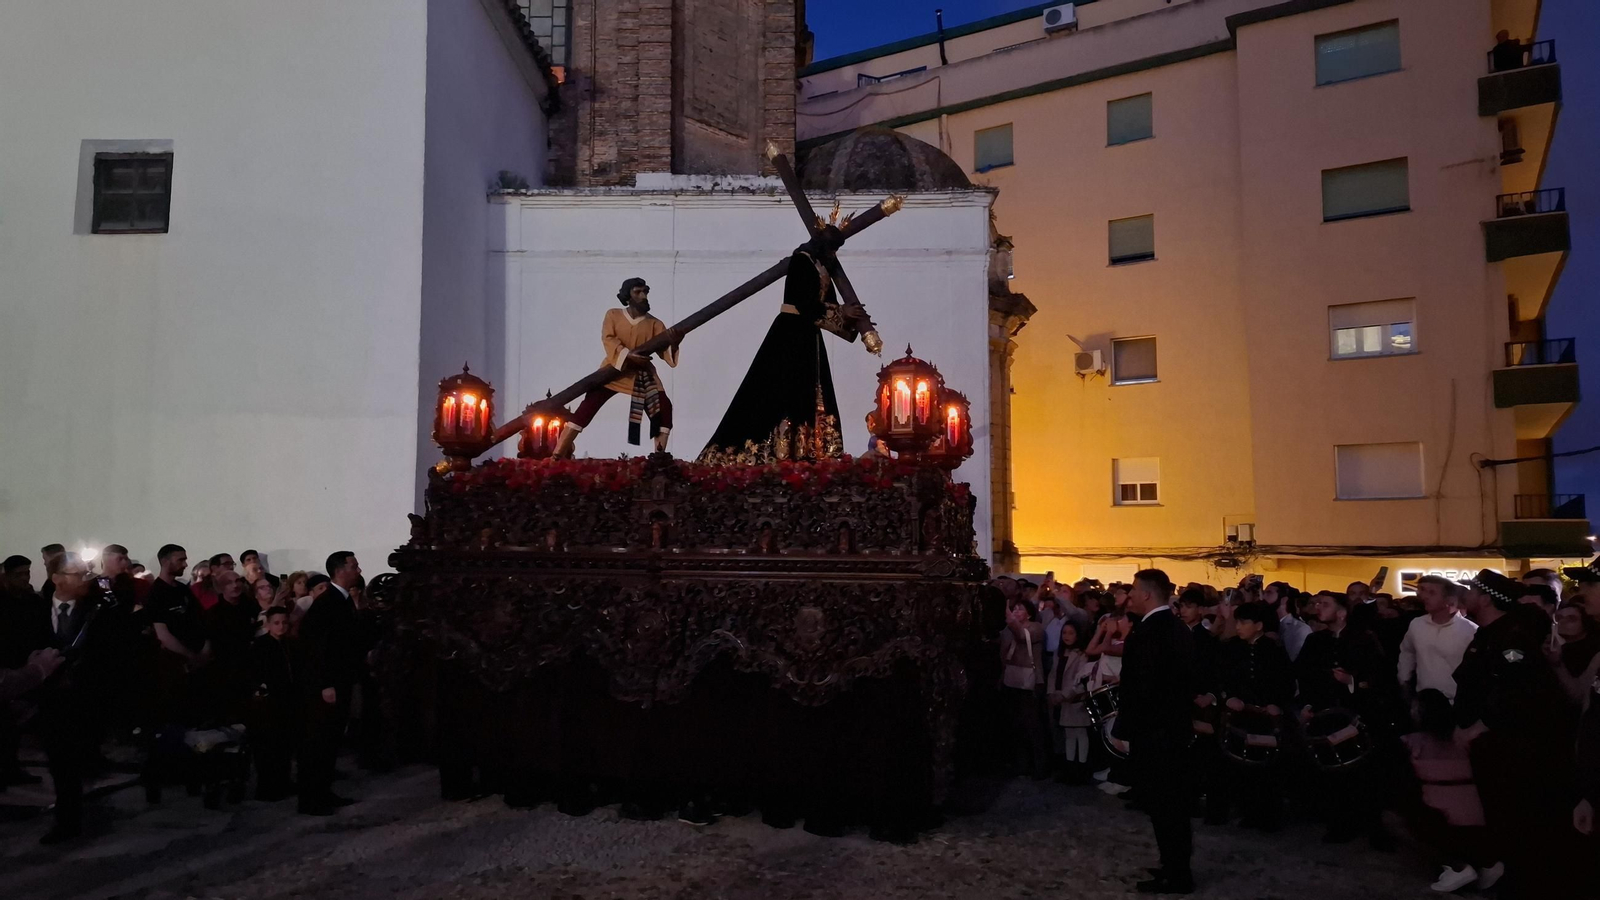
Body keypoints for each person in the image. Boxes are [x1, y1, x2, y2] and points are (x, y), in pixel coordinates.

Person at [702, 225, 878, 461]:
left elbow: (829, 303)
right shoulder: (801, 261)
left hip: (809, 336)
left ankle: (809, 451)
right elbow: (803, 302)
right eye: (832, 249)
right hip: (790, 334)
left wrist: (850, 318)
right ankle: (773, 452)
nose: (834, 255)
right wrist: (841, 312)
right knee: (779, 390)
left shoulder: (820, 266)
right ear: (822, 246)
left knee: (810, 392)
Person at [1452, 569, 1570, 898]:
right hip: (1490, 744)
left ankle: (1522, 881)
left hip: (1510, 744)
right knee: (1498, 812)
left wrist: (1478, 726)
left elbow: (1516, 688)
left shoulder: (1512, 638)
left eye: (1473, 589)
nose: (1467, 595)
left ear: (1487, 597)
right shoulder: (1488, 634)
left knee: (1516, 813)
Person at [1115, 568, 1196, 894]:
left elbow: (1142, 688)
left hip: (1157, 735)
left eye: (1133, 590)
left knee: (1166, 807)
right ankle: (1173, 864)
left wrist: (1125, 730)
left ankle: (1177, 874)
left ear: (1148, 594)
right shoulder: (1174, 629)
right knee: (1168, 807)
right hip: (1170, 731)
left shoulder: (1152, 633)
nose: (1129, 596)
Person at [1295, 590, 1393, 846]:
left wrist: (1352, 681)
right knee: (1333, 771)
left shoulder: (1364, 639)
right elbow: (1305, 676)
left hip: (1360, 714)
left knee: (1365, 772)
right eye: (1317, 604)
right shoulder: (1315, 641)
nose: (1318, 608)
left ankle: (1374, 827)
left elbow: (1379, 674)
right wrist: (1307, 704)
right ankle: (1340, 824)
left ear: (1341, 612)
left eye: (1325, 604)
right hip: (1326, 714)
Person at [35, 552, 118, 844]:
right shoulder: (35, 610)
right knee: (59, 761)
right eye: (77, 574)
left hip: (84, 697)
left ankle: (73, 816)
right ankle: (68, 817)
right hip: (47, 700)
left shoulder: (97, 610)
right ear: (56, 579)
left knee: (76, 760)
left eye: (86, 573)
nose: (84, 579)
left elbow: (110, 651)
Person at [554, 278, 682, 457]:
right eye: (638, 292)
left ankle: (659, 457)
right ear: (627, 296)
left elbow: (666, 352)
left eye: (645, 291)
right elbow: (609, 339)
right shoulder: (613, 315)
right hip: (612, 372)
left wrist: (674, 343)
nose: (643, 296)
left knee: (664, 409)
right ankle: (557, 454)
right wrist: (628, 356)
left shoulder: (655, 324)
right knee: (586, 408)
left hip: (642, 376)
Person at [1402, 688, 1501, 893]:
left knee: (1396, 817)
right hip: (1477, 825)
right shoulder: (1465, 739)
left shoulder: (1413, 743)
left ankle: (1459, 867)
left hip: (1446, 827)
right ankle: (1486, 865)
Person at [1215, 602, 1294, 832]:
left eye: (1244, 622)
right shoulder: (1231, 648)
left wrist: (1275, 703)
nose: (1238, 626)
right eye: (1237, 621)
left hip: (1265, 718)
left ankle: (1268, 815)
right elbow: (1222, 677)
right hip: (1240, 715)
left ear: (1258, 626)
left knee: (1267, 767)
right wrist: (1229, 697)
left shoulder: (1273, 649)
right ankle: (1246, 811)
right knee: (1240, 764)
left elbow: (1285, 681)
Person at [296, 551, 362, 815]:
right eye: (354, 565)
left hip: (340, 681)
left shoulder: (341, 600)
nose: (358, 569)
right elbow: (316, 648)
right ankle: (312, 798)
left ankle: (323, 792)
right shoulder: (327, 603)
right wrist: (326, 684)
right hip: (326, 686)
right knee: (319, 741)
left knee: (331, 740)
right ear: (340, 570)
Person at [1397, 575, 1477, 701]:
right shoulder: (1417, 624)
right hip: (1423, 699)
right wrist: (1403, 679)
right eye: (1422, 591)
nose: (1424, 596)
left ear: (1449, 599)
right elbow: (1407, 652)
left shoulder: (1470, 630)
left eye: (1432, 593)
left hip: (1456, 701)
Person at [248, 606, 297, 801]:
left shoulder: (290, 645)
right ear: (268, 624)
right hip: (269, 704)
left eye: (285, 623)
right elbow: (254, 673)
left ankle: (282, 783)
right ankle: (267, 787)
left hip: (287, 701)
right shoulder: (260, 646)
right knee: (267, 747)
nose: (281, 627)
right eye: (276, 623)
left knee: (284, 745)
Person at [999, 599, 1048, 779]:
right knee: (1017, 724)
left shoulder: (1036, 628)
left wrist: (1009, 617)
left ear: (1029, 613)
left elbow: (1022, 636)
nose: (1016, 611)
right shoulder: (1007, 631)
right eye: (1014, 609)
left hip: (1031, 680)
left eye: (1020, 609)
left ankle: (1039, 765)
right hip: (1013, 677)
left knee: (1033, 724)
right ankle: (1022, 763)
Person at [1044, 620, 1093, 783]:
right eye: (1064, 633)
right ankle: (1070, 767)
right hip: (1062, 698)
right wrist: (1051, 693)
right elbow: (1052, 674)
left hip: (1075, 698)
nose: (1067, 636)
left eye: (1071, 633)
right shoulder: (1060, 652)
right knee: (1069, 734)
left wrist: (1064, 694)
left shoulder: (1081, 655)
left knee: (1079, 732)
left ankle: (1081, 768)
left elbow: (1079, 680)